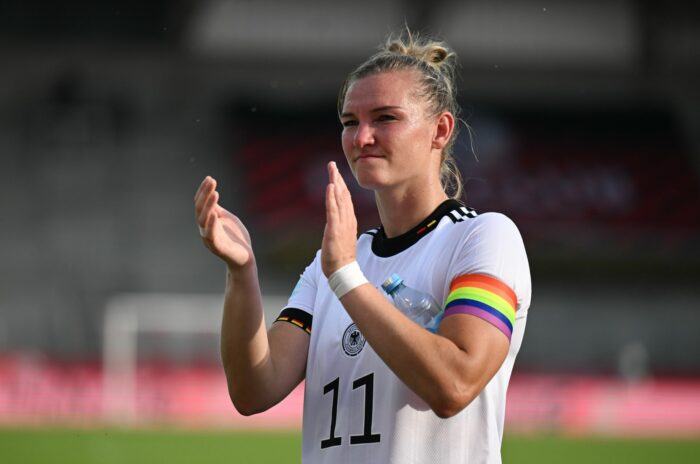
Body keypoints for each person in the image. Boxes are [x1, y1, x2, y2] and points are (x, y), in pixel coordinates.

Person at [194, 31, 531, 464]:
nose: (361, 137)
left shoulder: (483, 237)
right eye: (350, 122)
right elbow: (253, 390)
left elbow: (454, 385)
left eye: (385, 118)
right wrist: (242, 274)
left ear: (440, 130)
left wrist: (346, 277)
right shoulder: (333, 262)